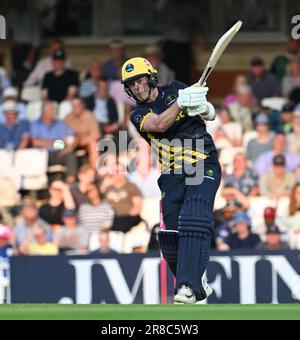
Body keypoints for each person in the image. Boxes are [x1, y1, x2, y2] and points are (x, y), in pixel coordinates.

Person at [121, 57, 221, 304]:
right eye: (132, 85)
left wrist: (204, 108)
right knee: (168, 237)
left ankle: (187, 286)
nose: (137, 87)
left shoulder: (176, 88)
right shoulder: (139, 114)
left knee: (194, 218)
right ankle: (196, 279)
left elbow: (209, 113)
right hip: (171, 174)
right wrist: (182, 103)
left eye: (140, 80)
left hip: (202, 162)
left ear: (152, 77)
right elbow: (160, 124)